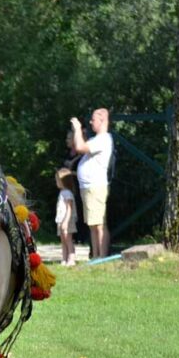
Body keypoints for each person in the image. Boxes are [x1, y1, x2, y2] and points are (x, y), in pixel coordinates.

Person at [70, 108, 113, 258]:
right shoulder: (96, 139)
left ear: (102, 120)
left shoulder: (103, 139)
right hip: (88, 187)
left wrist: (76, 129)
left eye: (93, 119)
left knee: (99, 224)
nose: (90, 122)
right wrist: (78, 133)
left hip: (95, 186)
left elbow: (80, 147)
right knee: (93, 224)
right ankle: (95, 256)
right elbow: (77, 147)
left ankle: (101, 257)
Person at [55, 168, 78, 266]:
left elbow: (69, 208)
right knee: (63, 241)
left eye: (57, 180)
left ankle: (71, 259)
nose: (56, 182)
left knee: (68, 240)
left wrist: (66, 221)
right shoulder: (62, 192)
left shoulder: (67, 193)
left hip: (67, 221)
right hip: (61, 220)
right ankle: (64, 259)